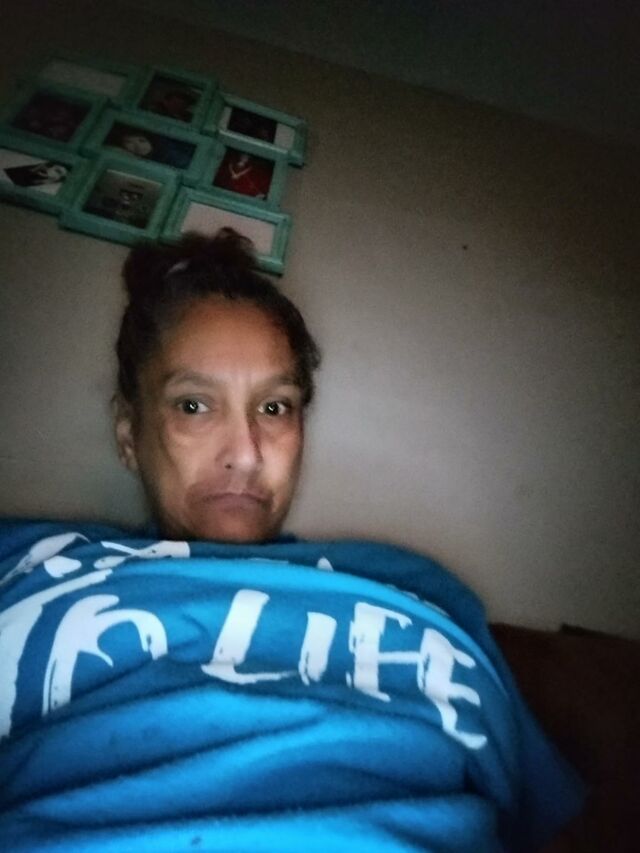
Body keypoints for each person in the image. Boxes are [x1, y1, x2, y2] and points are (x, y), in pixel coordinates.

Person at [0, 230, 584, 852]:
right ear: (128, 435)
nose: (247, 453)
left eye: (275, 408)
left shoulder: (416, 587)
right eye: (193, 405)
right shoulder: (34, 564)